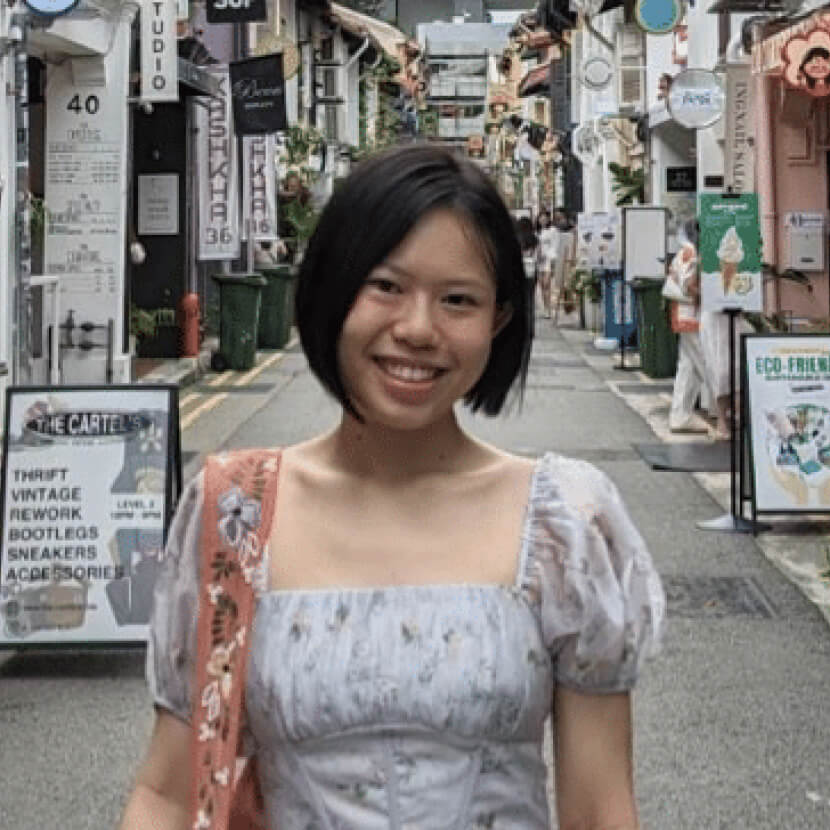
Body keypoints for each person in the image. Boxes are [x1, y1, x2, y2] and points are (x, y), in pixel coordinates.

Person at [120, 145, 665, 830]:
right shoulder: (236, 510)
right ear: (332, 289)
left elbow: (600, 809)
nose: (417, 329)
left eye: (458, 300)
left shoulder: (564, 524)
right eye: (385, 286)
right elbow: (169, 793)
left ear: (498, 319)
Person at [667, 220, 711, 433]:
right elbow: (689, 285)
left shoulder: (684, 252)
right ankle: (726, 408)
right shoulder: (692, 253)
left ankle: (681, 415)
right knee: (706, 362)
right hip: (693, 315)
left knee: (688, 366)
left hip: (684, 315)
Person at [535, 210, 558, 318]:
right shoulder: (536, 231)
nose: (543, 220)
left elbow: (555, 246)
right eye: (541, 218)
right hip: (538, 261)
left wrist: (551, 258)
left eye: (545, 218)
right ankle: (545, 307)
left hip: (548, 260)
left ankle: (548, 309)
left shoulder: (552, 230)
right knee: (541, 286)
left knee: (546, 284)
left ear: (548, 219)